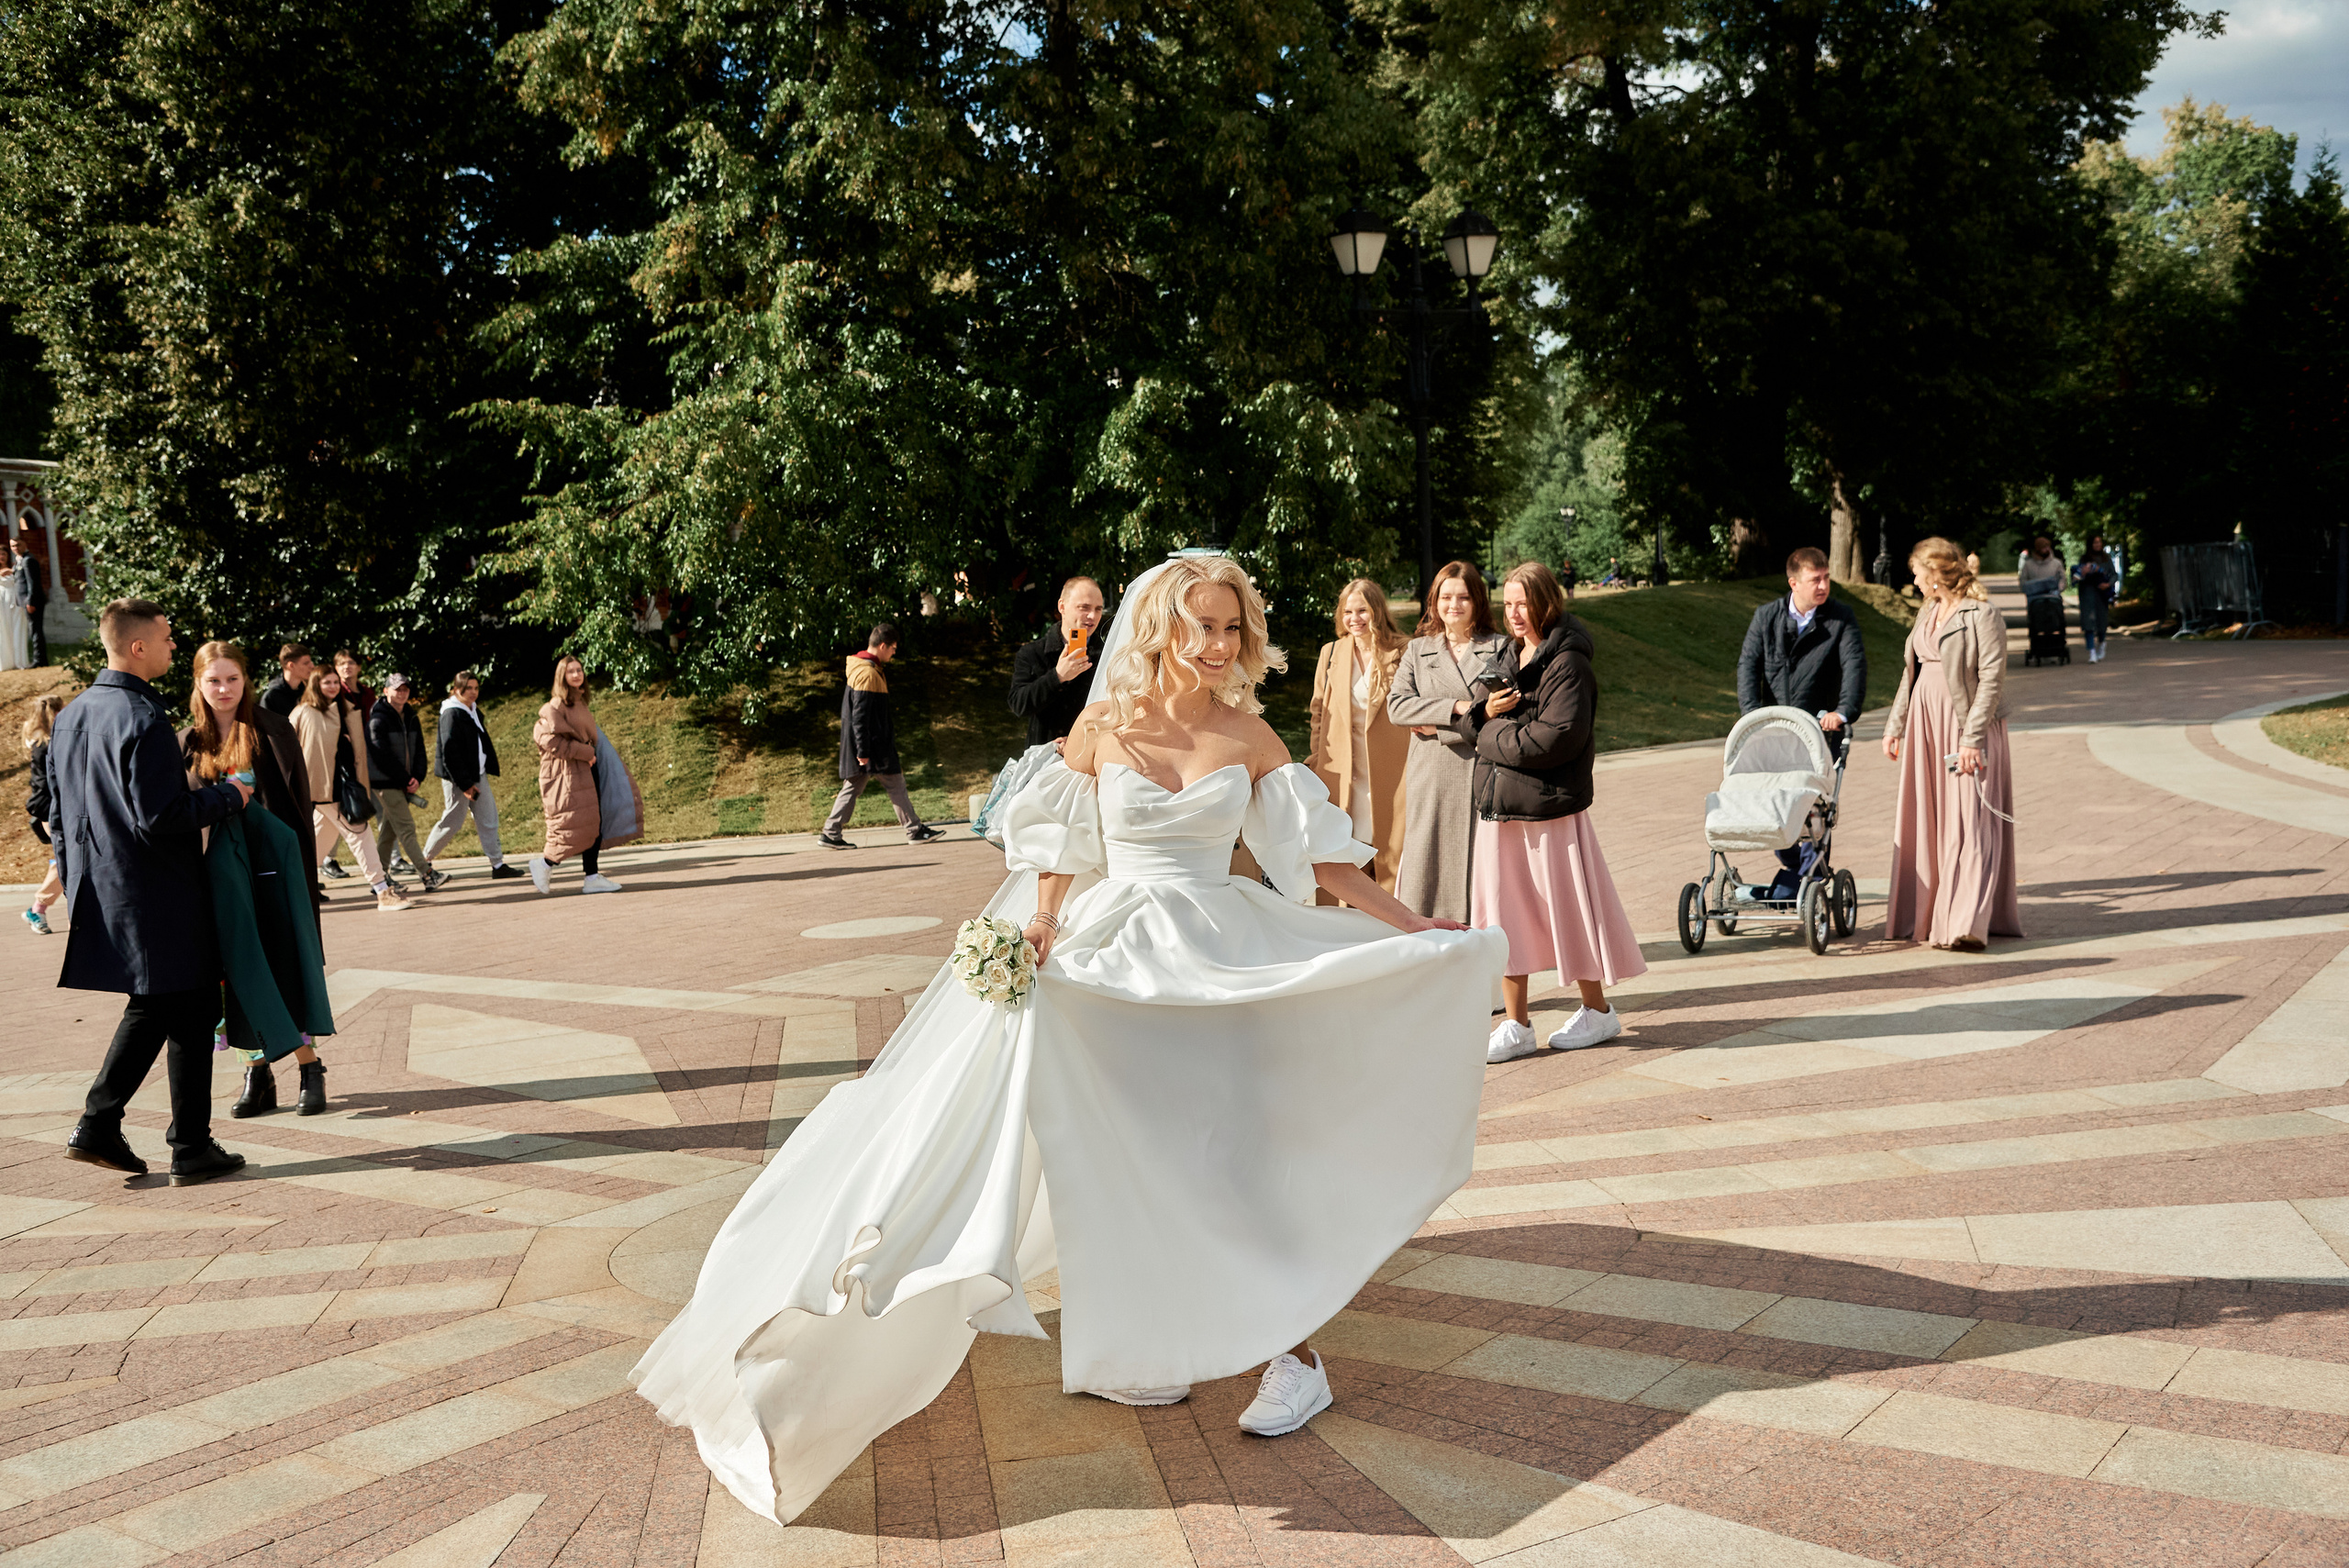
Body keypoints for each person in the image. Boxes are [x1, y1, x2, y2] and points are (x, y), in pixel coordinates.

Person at [632, 552, 1507, 1524]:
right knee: (1127, 1159)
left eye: (1232, 628)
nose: (1218, 645)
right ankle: (1150, 1345)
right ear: (1161, 628)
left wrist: (1413, 927)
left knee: (1228, 1157)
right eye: (1202, 626)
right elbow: (1057, 844)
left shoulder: (1249, 733)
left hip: (1217, 955)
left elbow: (1326, 859)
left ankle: (1294, 1357)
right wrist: (1039, 927)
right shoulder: (1103, 723)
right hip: (1114, 962)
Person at [49, 598, 250, 1184]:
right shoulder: (143, 717)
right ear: (137, 647)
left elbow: (57, 813)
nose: (171, 646)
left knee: (187, 1006)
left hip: (106, 883)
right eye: (165, 638)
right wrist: (229, 797)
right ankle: (101, 1121)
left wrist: (74, 872)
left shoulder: (73, 713)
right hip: (157, 889)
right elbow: (160, 816)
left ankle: (189, 1144)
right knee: (160, 1001)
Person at [1462, 562, 1646, 1062]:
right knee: (1501, 917)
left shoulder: (1570, 664)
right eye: (1508, 603)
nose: (1514, 613)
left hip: (1550, 812)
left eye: (1523, 603)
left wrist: (1489, 732)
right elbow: (1471, 716)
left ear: (1547, 601)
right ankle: (1517, 1024)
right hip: (1500, 808)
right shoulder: (1505, 652)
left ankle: (1598, 1011)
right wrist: (1484, 722)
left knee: (1569, 912)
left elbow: (1554, 740)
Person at [181, 642, 333, 1117]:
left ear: (245, 680)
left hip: (271, 873)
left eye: (232, 679)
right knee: (233, 973)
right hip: (216, 876)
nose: (223, 689)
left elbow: (294, 812)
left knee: (282, 967)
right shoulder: (187, 741)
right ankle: (257, 1072)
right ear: (199, 685)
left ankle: (310, 1068)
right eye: (213, 681)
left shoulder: (270, 729)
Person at [1884, 537, 2021, 952]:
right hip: (1926, 728)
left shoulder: (1983, 614)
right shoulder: (1927, 611)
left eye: (1916, 572)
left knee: (1970, 820)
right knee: (1930, 820)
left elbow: (1992, 682)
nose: (1913, 579)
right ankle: (1926, 914)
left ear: (1935, 573)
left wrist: (1971, 738)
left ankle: (1966, 923)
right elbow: (1913, 673)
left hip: (1965, 729)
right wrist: (1896, 725)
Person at [1736, 546, 1868, 897]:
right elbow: (1748, 667)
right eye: (1816, 580)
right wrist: (1753, 715)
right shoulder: (1766, 618)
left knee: (1813, 808)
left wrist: (1843, 712)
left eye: (1826, 578)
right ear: (1793, 582)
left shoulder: (1840, 619)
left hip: (1819, 731)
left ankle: (1806, 875)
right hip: (1775, 732)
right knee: (1775, 804)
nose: (1824, 585)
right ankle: (1796, 871)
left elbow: (1854, 666)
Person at [1387, 562, 1509, 922]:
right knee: (1427, 854)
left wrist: (1439, 727)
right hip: (1430, 774)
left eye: (1463, 597)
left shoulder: (1501, 649)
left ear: (1478, 602)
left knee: (1477, 857)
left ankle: (1477, 935)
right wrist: (1459, 707)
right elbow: (1397, 707)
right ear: (1434, 601)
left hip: (1481, 770)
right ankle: (1424, 933)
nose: (1453, 605)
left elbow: (1503, 714)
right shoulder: (1417, 650)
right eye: (1446, 597)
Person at [1306, 579, 1409, 891]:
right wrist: (1316, 761)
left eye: (1362, 610)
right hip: (1341, 771)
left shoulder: (1403, 651)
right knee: (1345, 853)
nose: (1355, 619)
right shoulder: (1331, 653)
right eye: (1348, 611)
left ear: (1377, 611)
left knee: (1390, 848)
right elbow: (1318, 713)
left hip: (1390, 769)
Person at [818, 623, 947, 851]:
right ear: (883, 645)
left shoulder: (867, 669)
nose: (894, 652)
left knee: (859, 787)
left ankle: (831, 832)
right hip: (873, 747)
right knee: (892, 784)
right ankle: (914, 830)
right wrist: (863, 752)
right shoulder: (867, 673)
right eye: (893, 648)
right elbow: (861, 716)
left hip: (872, 745)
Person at [292, 669, 410, 913]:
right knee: (360, 833)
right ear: (316, 684)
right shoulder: (306, 712)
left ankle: (290, 888)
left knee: (317, 840)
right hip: (326, 788)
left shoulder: (347, 710)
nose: (333, 686)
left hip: (346, 784)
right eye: (327, 682)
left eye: (336, 682)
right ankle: (382, 891)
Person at [530, 654, 623, 893]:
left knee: (593, 823)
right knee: (571, 824)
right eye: (570, 671)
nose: (576, 674)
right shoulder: (555, 706)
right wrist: (584, 752)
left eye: (579, 670)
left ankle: (591, 877)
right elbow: (546, 739)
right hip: (568, 775)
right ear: (562, 676)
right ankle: (545, 863)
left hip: (586, 769)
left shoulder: (580, 703)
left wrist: (591, 756)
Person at [424, 670, 522, 879]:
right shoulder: (451, 713)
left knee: (488, 818)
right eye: (468, 688)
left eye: (476, 688)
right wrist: (466, 784)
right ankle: (422, 861)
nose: (473, 692)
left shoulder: (472, 710)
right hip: (459, 780)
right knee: (452, 822)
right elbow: (449, 754)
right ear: (457, 689)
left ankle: (498, 865)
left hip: (478, 776)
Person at [367, 674, 446, 893]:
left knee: (389, 831)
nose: (402, 693)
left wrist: (417, 777)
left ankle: (379, 880)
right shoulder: (378, 718)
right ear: (386, 691)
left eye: (405, 689)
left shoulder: (411, 716)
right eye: (397, 689)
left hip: (403, 781)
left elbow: (420, 749)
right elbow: (381, 755)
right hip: (384, 782)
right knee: (407, 827)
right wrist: (404, 778)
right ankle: (427, 874)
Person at [1008, 576, 1108, 747]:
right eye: (1084, 607)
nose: (1092, 616)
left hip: (1090, 755)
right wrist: (1057, 676)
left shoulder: (1108, 655)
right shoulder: (1032, 653)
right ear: (1062, 606)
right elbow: (1018, 705)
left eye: (1098, 609)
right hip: (1044, 755)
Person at [318, 651, 375, 880]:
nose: (347, 668)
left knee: (326, 827)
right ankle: (380, 885)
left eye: (351, 663)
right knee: (356, 824)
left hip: (360, 757)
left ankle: (302, 875)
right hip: (335, 772)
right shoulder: (328, 702)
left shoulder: (366, 693)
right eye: (341, 664)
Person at [21, 694, 64, 934]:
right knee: (65, 860)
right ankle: (37, 909)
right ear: (56, 712)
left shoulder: (48, 742)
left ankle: (38, 908)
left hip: (54, 809)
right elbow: (48, 786)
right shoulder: (44, 746)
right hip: (51, 811)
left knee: (65, 860)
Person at [2076, 533, 2117, 663]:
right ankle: (2091, 651)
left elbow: (2114, 575)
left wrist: (2108, 584)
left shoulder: (2106, 559)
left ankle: (2102, 643)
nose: (2098, 545)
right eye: (2095, 542)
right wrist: (2084, 572)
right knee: (2088, 622)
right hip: (2087, 593)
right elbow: (2077, 576)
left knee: (2102, 622)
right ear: (2090, 545)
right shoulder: (2084, 558)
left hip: (2102, 594)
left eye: (2099, 542)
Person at [13, 536, 47, 666]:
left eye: (18, 545)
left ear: (24, 544)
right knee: (34, 630)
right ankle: (41, 659)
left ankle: (39, 660)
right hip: (26, 601)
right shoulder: (19, 561)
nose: (16, 548)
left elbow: (33, 583)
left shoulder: (28, 560)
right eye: (13, 546)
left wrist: (30, 602)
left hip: (32, 602)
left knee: (36, 631)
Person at [260, 642, 313, 717]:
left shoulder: (309, 691)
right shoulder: (272, 697)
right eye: (306, 663)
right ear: (291, 666)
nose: (312, 666)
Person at [0, 535, 28, 671]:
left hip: (15, 601)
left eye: (4, 554)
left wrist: (11, 571)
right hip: (1, 603)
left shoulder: (15, 567)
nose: (2, 557)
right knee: (3, 631)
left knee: (17, 630)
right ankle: (6, 662)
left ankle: (20, 661)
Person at [2017, 533, 2065, 601]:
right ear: (2038, 549)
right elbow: (2023, 581)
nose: (2047, 549)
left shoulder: (2056, 563)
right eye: (2044, 547)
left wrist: (2059, 589)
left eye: (2048, 547)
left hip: (2053, 598)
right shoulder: (2028, 565)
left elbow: (2062, 578)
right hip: (2034, 599)